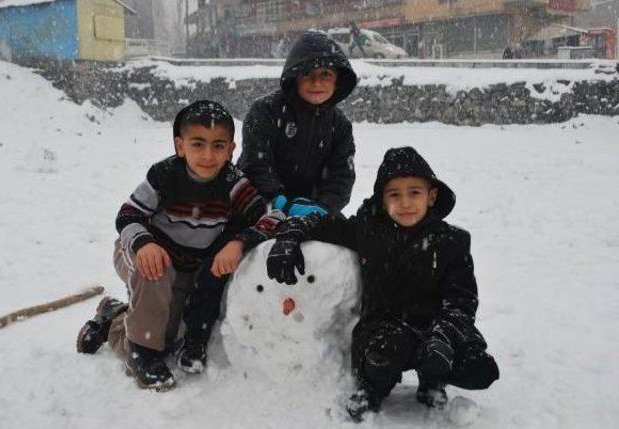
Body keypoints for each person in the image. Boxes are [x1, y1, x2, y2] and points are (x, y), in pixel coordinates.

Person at [266, 147, 499, 420]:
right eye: (394, 194)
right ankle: (371, 389)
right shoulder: (368, 229)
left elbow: (462, 301)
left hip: (435, 330)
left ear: (432, 196)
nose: (405, 203)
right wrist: (290, 235)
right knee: (385, 352)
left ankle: (433, 381)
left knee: (480, 369)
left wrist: (445, 336)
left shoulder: (451, 243)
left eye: (414, 193)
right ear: (382, 199)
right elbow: (324, 224)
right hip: (385, 330)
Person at [76, 100, 284, 391]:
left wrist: (239, 242)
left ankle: (113, 316)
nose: (208, 155)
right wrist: (144, 243)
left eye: (218, 146)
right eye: (197, 144)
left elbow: (272, 216)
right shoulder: (164, 176)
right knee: (152, 320)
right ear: (180, 146)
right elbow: (128, 215)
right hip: (143, 254)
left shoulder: (234, 183)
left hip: (186, 267)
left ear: (231, 150)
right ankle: (140, 355)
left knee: (167, 338)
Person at [237, 31, 358, 217]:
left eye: (326, 74)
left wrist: (323, 207)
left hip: (317, 211)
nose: (316, 82)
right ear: (295, 78)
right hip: (263, 206)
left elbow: (341, 176)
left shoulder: (340, 125)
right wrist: (280, 202)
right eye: (307, 73)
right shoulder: (265, 111)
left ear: (338, 80)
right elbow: (255, 164)